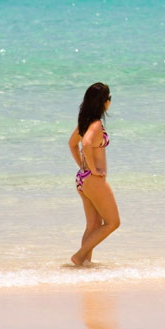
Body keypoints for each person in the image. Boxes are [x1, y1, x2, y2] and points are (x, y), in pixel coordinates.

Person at [68, 82, 120, 266]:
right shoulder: (96, 124)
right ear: (104, 102)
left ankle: (84, 265)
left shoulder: (85, 122)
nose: (110, 102)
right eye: (110, 98)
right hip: (93, 180)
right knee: (113, 222)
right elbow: (87, 144)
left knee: (93, 225)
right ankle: (80, 256)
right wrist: (94, 169)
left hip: (82, 179)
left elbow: (72, 143)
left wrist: (83, 167)